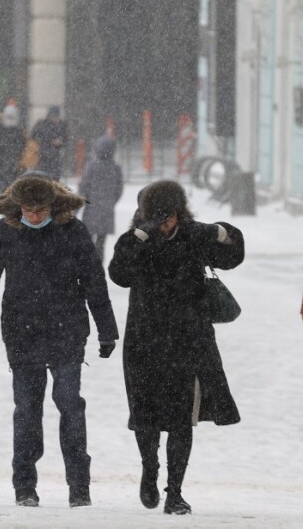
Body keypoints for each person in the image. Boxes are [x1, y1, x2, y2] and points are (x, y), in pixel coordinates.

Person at [0, 171, 119, 508]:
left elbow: (95, 283)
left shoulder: (73, 232)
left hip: (67, 331)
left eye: (41, 210)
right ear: (18, 207)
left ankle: (79, 486)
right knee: (27, 410)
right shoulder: (5, 232)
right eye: (28, 210)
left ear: (53, 207)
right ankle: (24, 486)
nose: (34, 217)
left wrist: (107, 330)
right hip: (22, 333)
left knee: (69, 404)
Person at [108, 180, 244, 515]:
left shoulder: (193, 236)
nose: (166, 223)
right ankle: (149, 469)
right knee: (146, 418)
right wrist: (142, 234)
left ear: (179, 212)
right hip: (145, 343)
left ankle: (175, 492)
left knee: (183, 419)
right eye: (159, 217)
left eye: (170, 216)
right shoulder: (136, 241)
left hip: (188, 341)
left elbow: (231, 257)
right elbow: (118, 274)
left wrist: (223, 230)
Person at [77, 135, 124, 261]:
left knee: (88, 240)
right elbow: (119, 190)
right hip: (107, 210)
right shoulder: (116, 168)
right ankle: (98, 267)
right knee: (101, 242)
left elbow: (84, 186)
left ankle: (87, 266)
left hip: (91, 208)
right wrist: (111, 202)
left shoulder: (91, 166)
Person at [31, 105, 69, 180]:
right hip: (43, 158)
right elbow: (34, 137)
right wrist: (49, 141)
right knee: (43, 178)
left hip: (56, 159)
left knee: (54, 179)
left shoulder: (62, 125)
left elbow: (66, 140)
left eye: (56, 116)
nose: (55, 118)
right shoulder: (42, 124)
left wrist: (61, 142)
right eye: (53, 116)